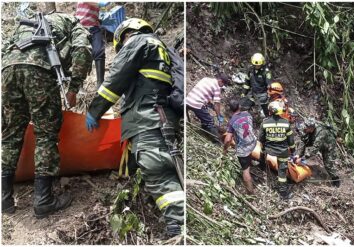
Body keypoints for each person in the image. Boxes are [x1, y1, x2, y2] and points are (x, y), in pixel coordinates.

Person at [85, 18, 183, 237]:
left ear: (124, 35)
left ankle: (178, 225)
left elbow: (115, 81)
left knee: (157, 169)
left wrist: (94, 111)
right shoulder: (159, 47)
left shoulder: (138, 41)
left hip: (149, 119)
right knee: (148, 166)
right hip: (158, 117)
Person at [1, 13, 92, 217]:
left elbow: (4, 48)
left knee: (9, 135)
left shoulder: (26, 23)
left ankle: (3, 199)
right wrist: (74, 88)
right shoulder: (74, 23)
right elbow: (83, 50)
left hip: (7, 71)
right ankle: (43, 200)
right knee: (46, 135)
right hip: (40, 71)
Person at [259, 101, 296, 200]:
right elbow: (291, 141)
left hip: (269, 150)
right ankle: (283, 193)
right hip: (282, 152)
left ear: (270, 111)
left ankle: (261, 165)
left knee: (262, 150)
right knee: (282, 172)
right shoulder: (286, 123)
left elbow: (261, 138)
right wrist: (293, 152)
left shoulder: (265, 123)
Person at [294, 117, 340, 187]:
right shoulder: (308, 128)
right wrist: (298, 154)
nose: (305, 129)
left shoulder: (321, 133)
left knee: (328, 165)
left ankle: (336, 180)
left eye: (306, 128)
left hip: (328, 147)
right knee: (303, 141)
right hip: (315, 141)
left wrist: (302, 159)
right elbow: (303, 141)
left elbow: (314, 150)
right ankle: (298, 159)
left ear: (311, 128)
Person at [223, 100, 257, 194]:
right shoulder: (247, 114)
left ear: (230, 109)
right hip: (253, 142)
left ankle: (250, 192)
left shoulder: (232, 121)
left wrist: (225, 150)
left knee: (245, 171)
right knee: (248, 153)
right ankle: (251, 162)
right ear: (239, 106)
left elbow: (228, 139)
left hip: (244, 148)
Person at [186, 73, 230, 144]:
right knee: (210, 121)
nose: (222, 86)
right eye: (223, 85)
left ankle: (204, 130)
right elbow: (217, 104)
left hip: (188, 100)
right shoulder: (217, 87)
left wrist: (211, 106)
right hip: (197, 104)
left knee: (205, 115)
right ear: (221, 81)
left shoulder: (206, 79)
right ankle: (217, 142)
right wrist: (218, 115)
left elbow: (204, 94)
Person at [76, 2, 107, 87]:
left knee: (99, 51)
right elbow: (97, 3)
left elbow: (101, 8)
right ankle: (79, 85)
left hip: (94, 27)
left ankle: (100, 84)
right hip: (81, 27)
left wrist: (104, 14)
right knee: (80, 55)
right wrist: (102, 3)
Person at [243, 53, 272, 117]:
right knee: (244, 105)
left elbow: (269, 84)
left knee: (265, 111)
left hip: (263, 95)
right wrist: (244, 92)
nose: (257, 66)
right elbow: (247, 83)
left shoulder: (266, 72)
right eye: (255, 65)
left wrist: (269, 93)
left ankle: (266, 119)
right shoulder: (250, 70)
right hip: (253, 94)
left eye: (258, 65)